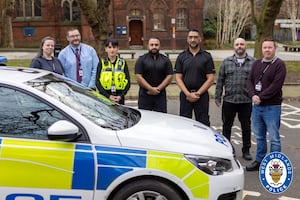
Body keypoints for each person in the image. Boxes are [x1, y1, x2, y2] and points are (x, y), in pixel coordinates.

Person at [246, 38, 286, 171]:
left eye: (270, 47)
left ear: (275, 49)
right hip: (257, 107)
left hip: (272, 107)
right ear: (262, 49)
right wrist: (253, 96)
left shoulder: (279, 65)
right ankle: (259, 160)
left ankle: (274, 164)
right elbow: (250, 81)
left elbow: (276, 85)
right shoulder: (257, 63)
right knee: (259, 136)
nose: (267, 50)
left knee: (274, 138)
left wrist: (260, 97)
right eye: (265, 47)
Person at [215, 38, 255, 160]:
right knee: (227, 126)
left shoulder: (253, 62)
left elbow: (257, 80)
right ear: (234, 46)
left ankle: (246, 150)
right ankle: (226, 149)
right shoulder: (226, 62)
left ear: (245, 46)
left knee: (246, 127)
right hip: (229, 100)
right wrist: (218, 96)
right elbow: (220, 80)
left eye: (242, 44)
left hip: (246, 101)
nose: (239, 46)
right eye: (237, 44)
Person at [175, 29, 215, 126]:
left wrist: (198, 93)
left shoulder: (207, 56)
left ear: (200, 39)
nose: (193, 40)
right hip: (185, 96)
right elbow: (178, 78)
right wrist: (188, 94)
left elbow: (210, 78)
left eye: (195, 37)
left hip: (202, 96)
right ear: (187, 40)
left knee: (203, 124)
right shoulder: (181, 56)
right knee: (184, 124)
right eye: (191, 37)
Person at [134, 37, 173, 113]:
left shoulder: (165, 60)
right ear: (148, 46)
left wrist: (158, 89)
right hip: (145, 95)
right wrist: (150, 89)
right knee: (145, 119)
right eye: (152, 45)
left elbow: (169, 75)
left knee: (161, 119)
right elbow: (138, 76)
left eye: (156, 45)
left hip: (160, 95)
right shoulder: (141, 59)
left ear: (160, 46)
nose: (154, 47)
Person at [96, 38, 130, 105]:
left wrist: (121, 96)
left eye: (114, 47)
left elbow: (128, 81)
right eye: (109, 47)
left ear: (118, 49)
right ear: (106, 49)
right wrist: (108, 96)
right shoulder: (101, 63)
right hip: (105, 97)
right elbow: (97, 81)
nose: (112, 50)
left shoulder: (122, 63)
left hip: (119, 97)